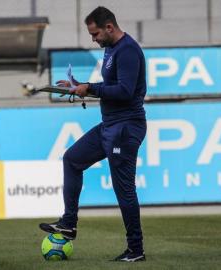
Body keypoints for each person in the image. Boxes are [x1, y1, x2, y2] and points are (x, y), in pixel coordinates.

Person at [39, 6, 147, 262]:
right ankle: (68, 224)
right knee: (72, 159)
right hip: (110, 125)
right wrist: (80, 86)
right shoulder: (111, 49)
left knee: (124, 190)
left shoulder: (128, 50)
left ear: (109, 27)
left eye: (95, 33)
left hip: (125, 127)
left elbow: (125, 91)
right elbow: (109, 87)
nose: (93, 39)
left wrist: (90, 89)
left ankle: (136, 250)